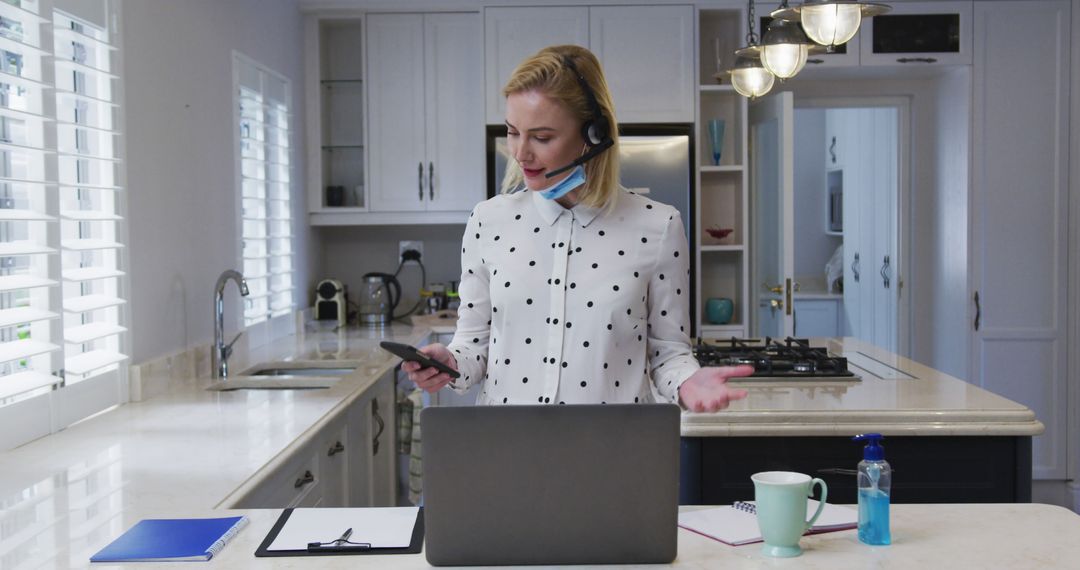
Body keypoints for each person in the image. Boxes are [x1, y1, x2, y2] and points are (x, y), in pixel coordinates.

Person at [403, 45, 751, 412]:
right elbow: (474, 346)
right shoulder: (487, 222)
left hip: (613, 449)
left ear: (593, 135)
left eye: (541, 137)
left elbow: (668, 354)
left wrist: (686, 380)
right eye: (512, 132)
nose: (520, 153)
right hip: (508, 449)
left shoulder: (659, 227)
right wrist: (450, 363)